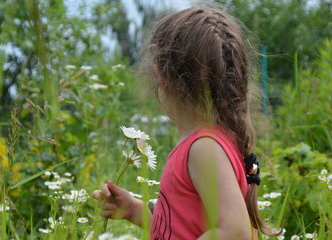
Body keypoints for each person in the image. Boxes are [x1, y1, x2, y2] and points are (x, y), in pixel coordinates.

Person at [93, 6, 278, 240]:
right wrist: (134, 210)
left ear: (161, 76)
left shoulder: (204, 149)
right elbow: (181, 228)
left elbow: (235, 232)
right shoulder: (204, 144)